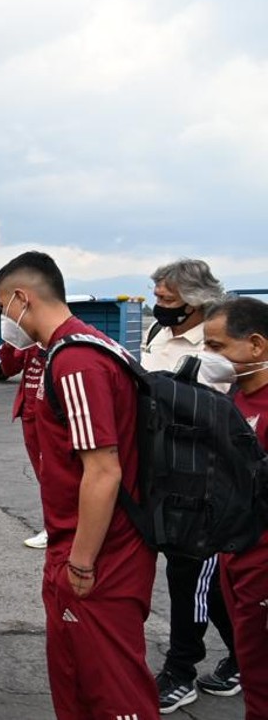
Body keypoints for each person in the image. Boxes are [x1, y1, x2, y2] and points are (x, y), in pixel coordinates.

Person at [0, 251, 158, 719]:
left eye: (4, 306)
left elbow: (103, 469)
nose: (5, 319)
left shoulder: (77, 360)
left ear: (22, 298)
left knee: (112, 688)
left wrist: (82, 562)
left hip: (100, 553)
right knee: (78, 679)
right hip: (75, 543)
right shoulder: (62, 352)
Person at [144, 260, 239, 712]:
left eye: (167, 299)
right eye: (157, 297)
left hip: (206, 482)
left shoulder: (221, 346)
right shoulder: (158, 335)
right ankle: (247, 655)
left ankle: (180, 670)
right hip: (165, 472)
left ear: (196, 300)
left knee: (190, 577)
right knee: (209, 584)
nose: (158, 306)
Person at [202, 297, 268, 720]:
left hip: (261, 559)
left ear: (256, 345)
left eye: (217, 347)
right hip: (236, 554)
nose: (209, 357)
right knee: (252, 667)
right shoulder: (231, 399)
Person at [0, 341, 49, 549]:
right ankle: (53, 526)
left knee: (51, 475)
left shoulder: (54, 338)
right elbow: (9, 369)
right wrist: (8, 345)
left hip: (47, 417)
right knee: (41, 474)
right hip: (29, 414)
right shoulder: (27, 340)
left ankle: (55, 529)